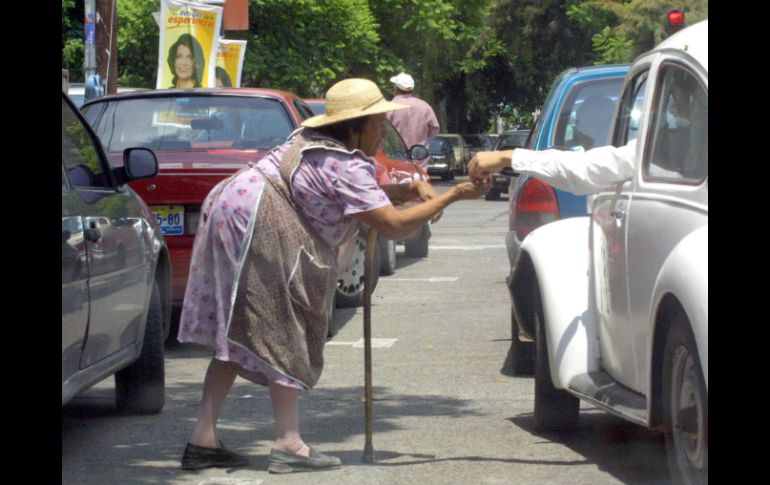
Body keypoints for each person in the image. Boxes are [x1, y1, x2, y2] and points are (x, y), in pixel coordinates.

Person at [178, 78, 490, 474]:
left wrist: (410, 188)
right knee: (288, 322)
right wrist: (453, 195)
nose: (383, 132)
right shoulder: (342, 163)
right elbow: (392, 225)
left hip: (238, 206)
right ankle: (288, 443)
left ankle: (203, 438)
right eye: (378, 124)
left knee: (235, 329)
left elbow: (364, 200)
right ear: (354, 126)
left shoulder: (314, 145)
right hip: (259, 220)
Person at [386, 72, 440, 170]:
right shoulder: (424, 106)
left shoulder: (390, 107)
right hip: (420, 161)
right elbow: (434, 130)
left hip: (396, 161)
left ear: (396, 88)